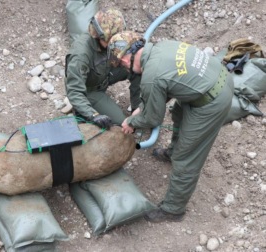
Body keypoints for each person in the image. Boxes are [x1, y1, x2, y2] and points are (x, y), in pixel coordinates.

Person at [107, 31, 234, 222]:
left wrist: (132, 122)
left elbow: (154, 118)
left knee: (187, 158)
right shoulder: (161, 48)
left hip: (212, 101)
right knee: (177, 112)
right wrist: (141, 109)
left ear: (128, 55)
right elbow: (166, 87)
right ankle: (173, 152)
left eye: (121, 62)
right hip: (212, 78)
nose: (124, 67)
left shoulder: (151, 76)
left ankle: (173, 209)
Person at [64, 8, 142, 129]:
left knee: (136, 68)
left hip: (105, 74)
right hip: (90, 90)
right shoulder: (81, 55)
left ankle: (138, 108)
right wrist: (93, 115)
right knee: (121, 124)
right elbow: (74, 91)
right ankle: (82, 110)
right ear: (100, 36)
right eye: (112, 40)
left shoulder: (108, 44)